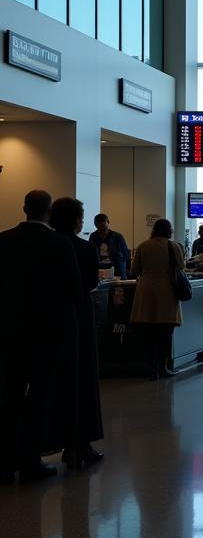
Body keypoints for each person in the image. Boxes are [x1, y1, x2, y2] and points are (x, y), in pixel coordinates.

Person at [0, 190, 80, 483]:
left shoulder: (3, 240)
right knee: (39, 396)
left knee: (9, 395)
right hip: (47, 332)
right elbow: (74, 288)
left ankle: (5, 462)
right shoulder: (58, 243)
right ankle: (30, 459)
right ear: (48, 213)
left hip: (9, 332)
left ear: (23, 209)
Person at [49, 197, 104, 468]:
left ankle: (45, 442)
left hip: (42, 321)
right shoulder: (84, 248)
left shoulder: (43, 245)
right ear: (76, 220)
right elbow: (91, 283)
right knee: (82, 380)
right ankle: (80, 443)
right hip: (77, 320)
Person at [130, 218, 185, 380]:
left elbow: (134, 272)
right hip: (167, 292)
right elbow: (181, 267)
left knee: (148, 333)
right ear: (169, 231)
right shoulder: (174, 246)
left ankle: (151, 369)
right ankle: (163, 367)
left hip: (145, 291)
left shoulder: (143, 246)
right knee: (165, 332)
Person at [89, 213, 130, 279]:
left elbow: (125, 255)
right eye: (98, 226)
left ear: (108, 222)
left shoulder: (117, 236)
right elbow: (90, 253)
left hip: (117, 269)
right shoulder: (93, 236)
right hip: (99, 269)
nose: (100, 228)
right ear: (96, 225)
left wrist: (122, 269)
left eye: (103, 225)